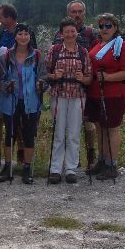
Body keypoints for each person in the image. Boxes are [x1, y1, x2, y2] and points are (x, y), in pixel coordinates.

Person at [85, 13, 125, 180]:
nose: (104, 29)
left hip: (114, 94)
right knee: (100, 126)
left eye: (108, 26)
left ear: (115, 28)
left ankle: (112, 164)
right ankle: (102, 161)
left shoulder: (122, 45)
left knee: (112, 128)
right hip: (95, 93)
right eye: (101, 26)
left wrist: (107, 78)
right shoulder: (98, 44)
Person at [0, 3, 37, 170]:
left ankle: (21, 152)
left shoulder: (25, 32)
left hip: (23, 84)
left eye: (0, 16)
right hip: (1, 81)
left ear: (9, 18)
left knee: (20, 120)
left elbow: (33, 55)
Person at [0, 23, 47, 184]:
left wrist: (41, 84)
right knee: (10, 134)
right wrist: (6, 86)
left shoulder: (37, 56)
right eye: (20, 34)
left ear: (30, 36)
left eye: (26, 34)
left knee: (28, 135)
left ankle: (27, 167)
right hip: (10, 100)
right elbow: (0, 78)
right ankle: (8, 166)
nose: (23, 37)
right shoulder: (5, 56)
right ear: (15, 36)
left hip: (31, 101)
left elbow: (44, 77)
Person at [53, 0, 100, 169]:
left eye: (80, 12)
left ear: (84, 14)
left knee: (88, 124)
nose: (77, 15)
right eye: (74, 12)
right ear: (68, 14)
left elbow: (97, 56)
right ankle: (71, 161)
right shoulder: (58, 35)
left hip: (86, 86)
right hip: (63, 89)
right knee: (64, 128)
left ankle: (90, 157)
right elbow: (52, 60)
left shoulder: (91, 33)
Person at [46, 18, 93, 184]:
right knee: (58, 134)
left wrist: (84, 78)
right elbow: (46, 74)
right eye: (67, 31)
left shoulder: (83, 52)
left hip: (78, 96)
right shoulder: (54, 50)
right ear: (61, 33)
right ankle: (55, 169)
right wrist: (54, 76)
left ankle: (71, 169)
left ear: (76, 32)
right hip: (58, 95)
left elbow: (89, 78)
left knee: (73, 134)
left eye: (72, 31)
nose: (70, 34)